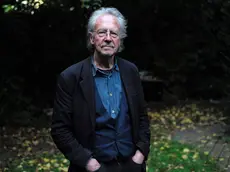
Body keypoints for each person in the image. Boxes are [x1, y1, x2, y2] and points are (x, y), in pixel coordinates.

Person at [51, 7, 150, 172]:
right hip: (92, 168)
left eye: (114, 34)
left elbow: (142, 118)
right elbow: (60, 130)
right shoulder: (70, 77)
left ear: (120, 40)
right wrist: (88, 163)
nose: (108, 39)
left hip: (131, 165)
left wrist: (140, 155)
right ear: (92, 38)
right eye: (102, 32)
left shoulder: (130, 71)